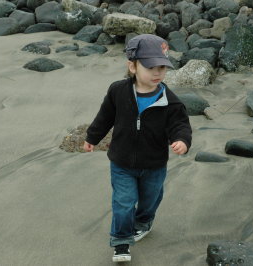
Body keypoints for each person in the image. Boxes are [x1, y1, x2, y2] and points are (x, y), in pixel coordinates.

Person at [83, 34, 192, 263]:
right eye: (151, 66)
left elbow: (180, 124)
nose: (157, 73)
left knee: (150, 199)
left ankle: (143, 222)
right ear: (132, 66)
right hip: (121, 163)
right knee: (123, 202)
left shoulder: (169, 101)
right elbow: (105, 117)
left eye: (162, 67)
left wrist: (182, 140)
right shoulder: (118, 91)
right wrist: (92, 137)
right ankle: (121, 241)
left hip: (154, 165)